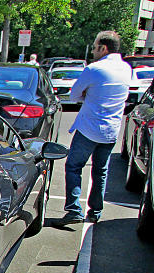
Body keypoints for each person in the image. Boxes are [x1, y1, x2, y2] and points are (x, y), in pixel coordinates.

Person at [53, 31, 131, 226]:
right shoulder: (126, 69)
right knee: (100, 171)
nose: (93, 51)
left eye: (95, 47)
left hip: (89, 128)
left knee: (73, 166)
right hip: (111, 130)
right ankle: (95, 211)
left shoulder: (94, 69)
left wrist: (88, 94)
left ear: (103, 48)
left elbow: (74, 95)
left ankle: (73, 210)